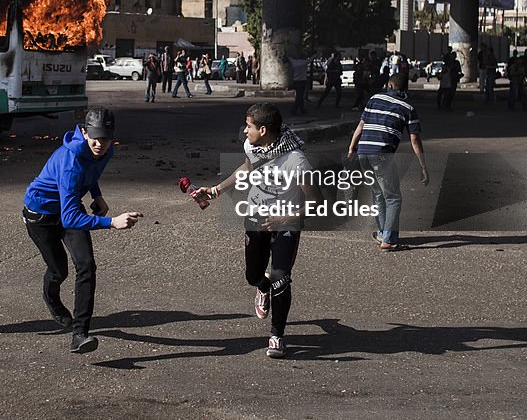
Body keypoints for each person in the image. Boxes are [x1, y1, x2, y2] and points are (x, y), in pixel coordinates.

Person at [184, 103, 319, 358]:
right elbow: (247, 168)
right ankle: (261, 287)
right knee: (253, 275)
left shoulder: (296, 161)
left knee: (281, 278)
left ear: (264, 129)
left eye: (249, 127)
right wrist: (215, 190)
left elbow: (316, 202)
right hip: (255, 219)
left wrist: (284, 219)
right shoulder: (252, 146)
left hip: (285, 226)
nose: (245, 131)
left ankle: (276, 336)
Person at [22, 107, 142, 353]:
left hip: (69, 206)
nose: (100, 144)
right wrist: (111, 222)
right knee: (58, 271)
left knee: (86, 265)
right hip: (41, 214)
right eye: (96, 139)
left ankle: (80, 334)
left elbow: (91, 171)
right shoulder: (70, 160)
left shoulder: (105, 151)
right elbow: (70, 218)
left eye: (106, 139)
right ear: (84, 132)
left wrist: (97, 196)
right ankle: (52, 298)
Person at [348, 72, 429, 250]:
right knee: (393, 197)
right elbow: (415, 140)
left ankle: (382, 233)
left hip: (364, 152)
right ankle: (389, 239)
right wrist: (423, 166)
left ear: (390, 85)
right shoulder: (408, 108)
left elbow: (361, 126)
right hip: (382, 154)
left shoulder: (374, 98)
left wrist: (351, 148)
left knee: (378, 194)